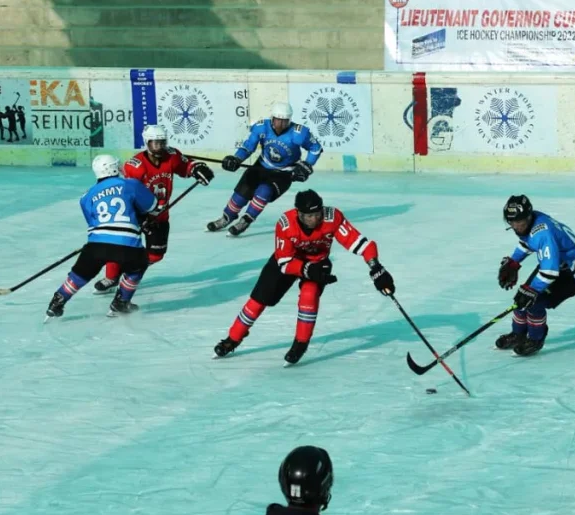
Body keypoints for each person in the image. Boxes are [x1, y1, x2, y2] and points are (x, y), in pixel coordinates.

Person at [213, 189, 395, 365]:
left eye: (317, 214)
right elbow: (284, 263)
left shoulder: (332, 217)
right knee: (258, 300)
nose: (314, 219)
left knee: (309, 294)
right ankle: (233, 338)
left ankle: (301, 343)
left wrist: (376, 268)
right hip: (288, 261)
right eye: (309, 216)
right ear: (298, 213)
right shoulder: (285, 224)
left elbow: (361, 244)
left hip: (318, 262)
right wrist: (307, 269)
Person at [93, 124, 214, 293]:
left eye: (161, 142)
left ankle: (132, 268)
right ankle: (111, 278)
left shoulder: (172, 156)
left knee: (156, 255)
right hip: (137, 214)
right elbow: (128, 194)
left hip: (160, 215)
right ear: (147, 143)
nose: (159, 146)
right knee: (118, 246)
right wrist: (141, 218)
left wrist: (197, 169)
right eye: (154, 143)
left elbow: (185, 167)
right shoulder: (135, 166)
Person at [45, 154, 158, 320]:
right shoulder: (130, 184)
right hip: (127, 243)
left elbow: (93, 223)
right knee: (138, 265)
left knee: (80, 274)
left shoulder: (86, 196)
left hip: (96, 244)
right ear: (112, 168)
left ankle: (58, 300)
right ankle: (121, 302)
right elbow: (152, 207)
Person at [206, 101, 323, 237]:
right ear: (272, 118)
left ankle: (246, 220)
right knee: (242, 191)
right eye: (278, 120)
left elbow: (316, 148)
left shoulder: (299, 132)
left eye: (284, 121)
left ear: (289, 120)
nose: (280, 125)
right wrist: (236, 159)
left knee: (264, 191)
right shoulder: (261, 127)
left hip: (284, 173)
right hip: (261, 166)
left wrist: (306, 165)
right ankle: (227, 217)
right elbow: (248, 146)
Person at [495, 194, 575, 357]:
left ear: (529, 217)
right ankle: (518, 334)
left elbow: (550, 272)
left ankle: (536, 339)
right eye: (512, 223)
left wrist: (532, 290)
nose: (516, 227)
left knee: (533, 301)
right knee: (521, 298)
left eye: (520, 222)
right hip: (556, 264)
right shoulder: (531, 222)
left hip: (570, 275)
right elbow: (527, 241)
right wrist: (513, 262)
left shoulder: (542, 233)